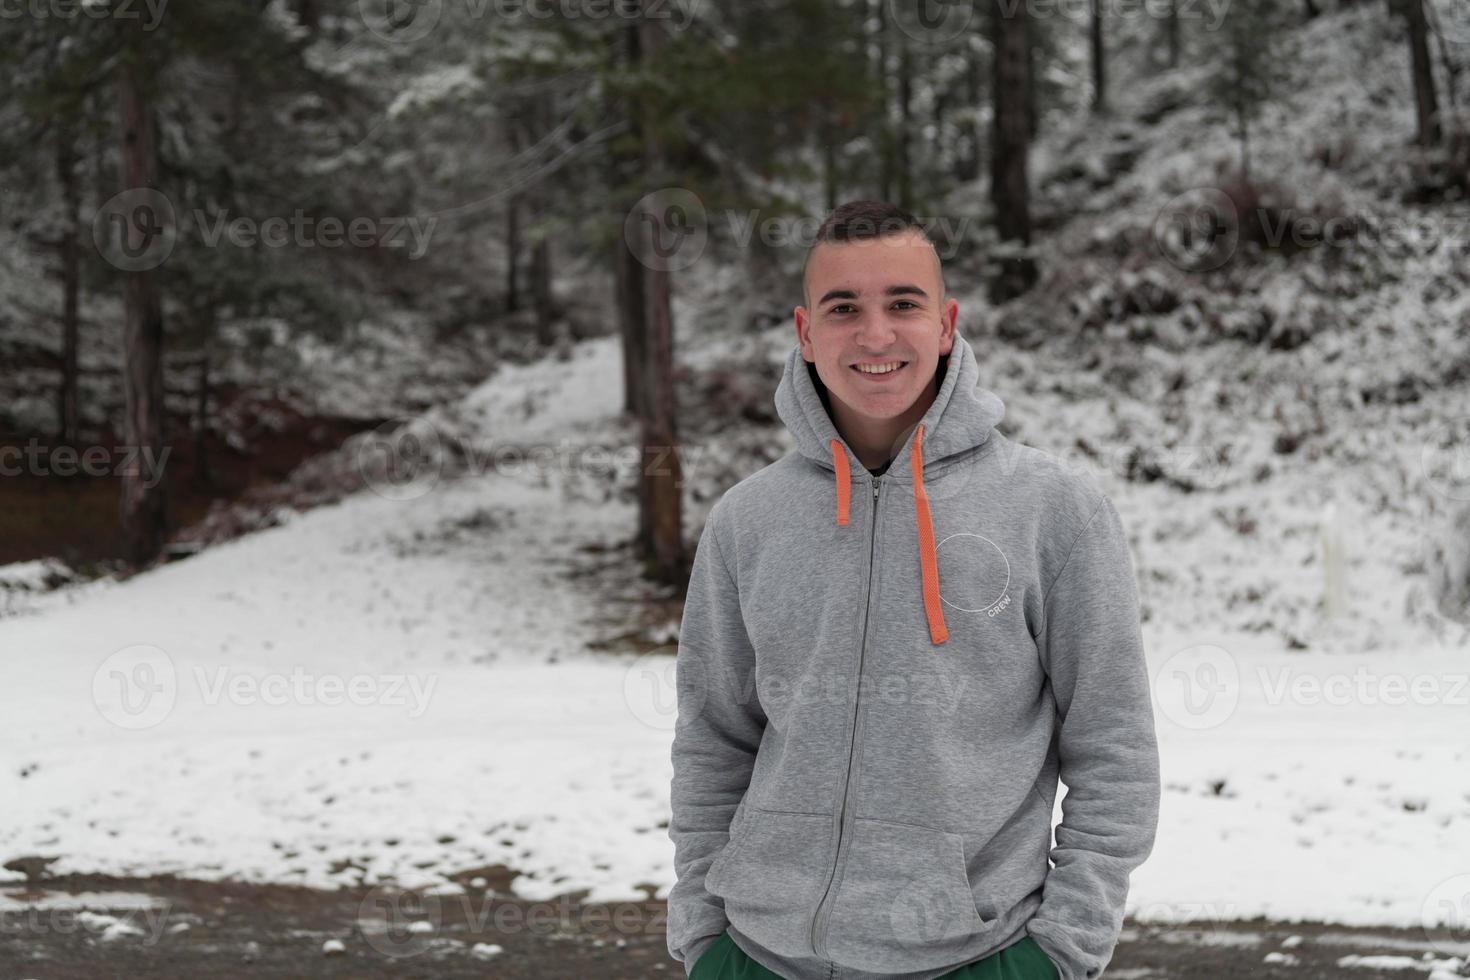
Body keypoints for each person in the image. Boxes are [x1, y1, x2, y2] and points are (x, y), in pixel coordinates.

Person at [665, 200, 1160, 980]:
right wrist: (702, 934)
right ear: (804, 331)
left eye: (903, 304)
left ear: (946, 323)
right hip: (754, 956)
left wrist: (1063, 951)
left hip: (978, 958)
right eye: (843, 308)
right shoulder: (747, 520)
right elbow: (713, 740)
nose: (874, 335)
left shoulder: (1050, 508)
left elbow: (1113, 745)